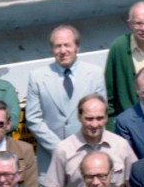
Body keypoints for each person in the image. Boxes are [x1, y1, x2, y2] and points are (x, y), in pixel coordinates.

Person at [23, 26, 96, 177]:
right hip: (51, 162)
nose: (63, 51)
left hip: (87, 158)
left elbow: (100, 115)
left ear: (77, 47)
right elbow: (33, 119)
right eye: (58, 46)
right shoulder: (37, 77)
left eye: (67, 45)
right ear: (52, 49)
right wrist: (60, 149)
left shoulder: (95, 74)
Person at [42, 93, 138, 187]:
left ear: (107, 117)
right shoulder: (64, 150)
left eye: (100, 118)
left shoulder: (121, 145)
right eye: (89, 119)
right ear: (79, 117)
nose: (94, 124)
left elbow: (132, 185)